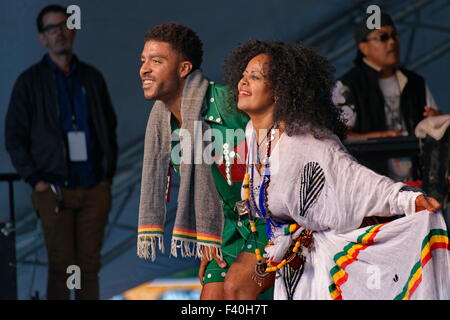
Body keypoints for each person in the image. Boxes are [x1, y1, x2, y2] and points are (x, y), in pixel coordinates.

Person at [223, 39, 450, 299]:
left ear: (279, 91)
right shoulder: (254, 132)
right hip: (286, 250)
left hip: (323, 257)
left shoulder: (306, 141)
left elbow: (354, 178)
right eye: (243, 75)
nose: (242, 82)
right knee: (236, 287)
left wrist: (407, 200)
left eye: (255, 77)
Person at [136, 23, 274, 300]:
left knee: (238, 289)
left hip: (269, 220)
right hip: (228, 230)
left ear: (184, 69)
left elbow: (277, 144)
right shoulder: (165, 126)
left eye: (157, 61)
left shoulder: (227, 102)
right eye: (143, 61)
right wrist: (210, 239)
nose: (144, 69)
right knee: (210, 299)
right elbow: (210, 193)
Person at [5, 5, 118, 300]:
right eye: (51, 28)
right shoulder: (30, 82)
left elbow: (109, 126)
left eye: (64, 25)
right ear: (42, 38)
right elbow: (13, 136)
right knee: (62, 266)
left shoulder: (91, 78)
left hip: (93, 186)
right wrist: (37, 182)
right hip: (53, 188)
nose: (59, 32)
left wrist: (106, 178)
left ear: (73, 30)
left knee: (89, 266)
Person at [333, 12, 442, 182]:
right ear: (363, 47)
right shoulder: (347, 86)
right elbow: (336, 136)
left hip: (417, 185)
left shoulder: (415, 83)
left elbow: (436, 125)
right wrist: (379, 138)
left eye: (394, 36)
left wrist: (437, 119)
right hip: (371, 190)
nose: (392, 42)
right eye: (383, 37)